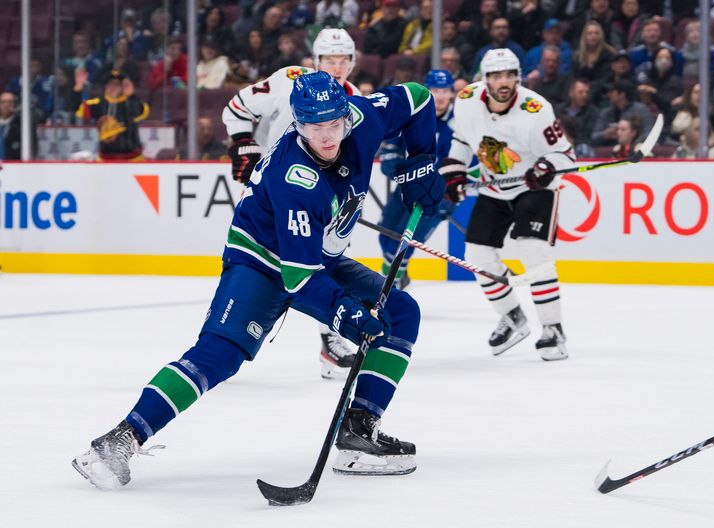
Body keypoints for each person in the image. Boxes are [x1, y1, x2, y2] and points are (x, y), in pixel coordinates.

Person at [72, 70, 444, 489]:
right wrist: (344, 314)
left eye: (334, 124)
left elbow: (417, 99)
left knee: (400, 311)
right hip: (261, 262)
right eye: (314, 127)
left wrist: (421, 162)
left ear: (346, 114)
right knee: (219, 355)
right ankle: (121, 438)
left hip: (320, 256)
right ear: (297, 124)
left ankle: (359, 431)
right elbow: (299, 278)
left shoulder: (362, 117)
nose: (326, 136)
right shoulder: (295, 177)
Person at [222, 28, 362, 379]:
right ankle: (225, 334)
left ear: (352, 62)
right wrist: (243, 144)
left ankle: (331, 341)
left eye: (343, 59)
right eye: (329, 59)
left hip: (321, 204)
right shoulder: (288, 80)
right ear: (316, 61)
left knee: (324, 264)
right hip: (270, 200)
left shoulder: (354, 99)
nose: (336, 66)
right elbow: (237, 108)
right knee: (253, 266)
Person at [439, 49, 574, 361]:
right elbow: (461, 141)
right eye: (496, 76)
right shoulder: (468, 100)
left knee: (533, 250)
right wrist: (454, 173)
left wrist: (546, 167)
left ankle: (553, 328)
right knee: (476, 253)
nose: (504, 82)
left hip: (534, 188)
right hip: (495, 188)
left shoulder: (536, 109)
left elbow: (566, 155)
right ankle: (512, 316)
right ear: (485, 79)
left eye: (509, 75)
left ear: (518, 76)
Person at [377, 70, 458, 288]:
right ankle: (396, 278)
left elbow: (471, 163)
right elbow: (393, 141)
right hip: (408, 187)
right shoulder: (416, 112)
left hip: (437, 196)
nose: (440, 96)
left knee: (402, 245)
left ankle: (388, 289)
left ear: (452, 93)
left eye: (445, 91)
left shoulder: (459, 121)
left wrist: (451, 196)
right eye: (435, 90)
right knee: (385, 236)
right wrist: (390, 156)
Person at [75, 70, 149, 161]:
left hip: (133, 158)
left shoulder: (131, 102)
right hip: (106, 158)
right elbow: (78, 111)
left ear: (122, 87)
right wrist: (78, 89)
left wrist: (131, 95)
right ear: (106, 86)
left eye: (117, 84)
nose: (114, 87)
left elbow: (142, 112)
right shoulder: (98, 103)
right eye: (111, 84)